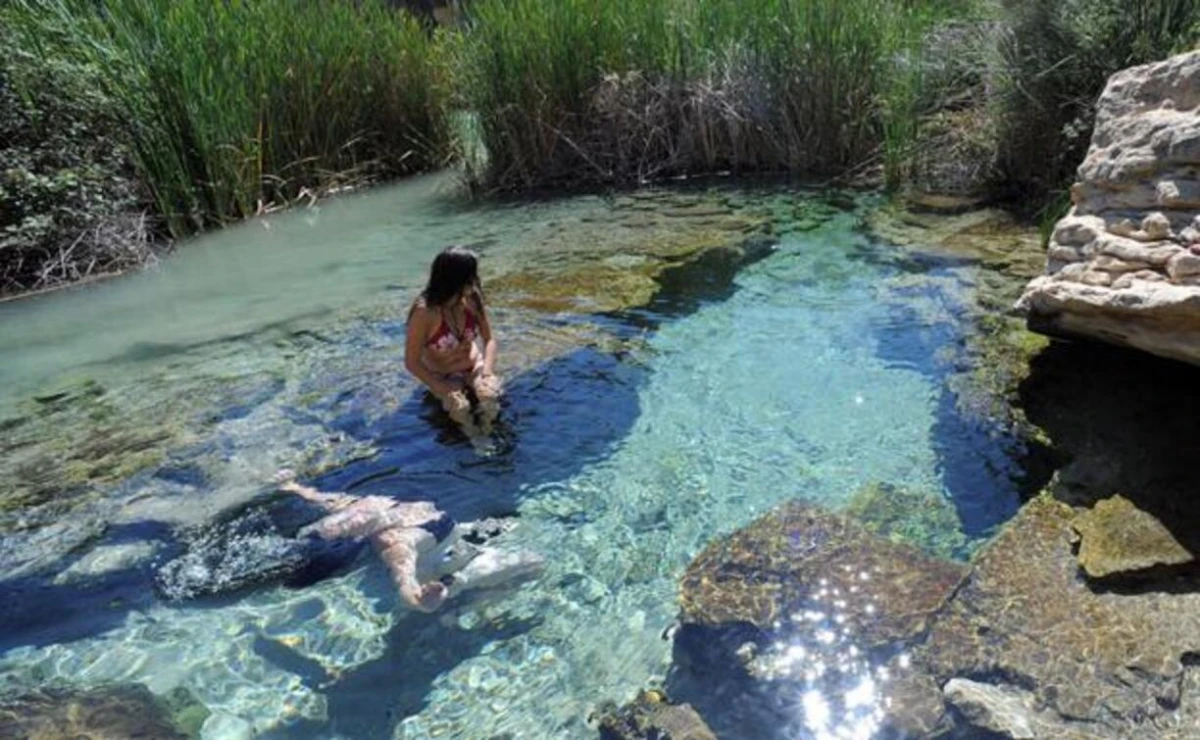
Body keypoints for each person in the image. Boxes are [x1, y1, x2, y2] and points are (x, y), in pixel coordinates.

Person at [273, 470, 541, 612]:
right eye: (347, 526)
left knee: (529, 554)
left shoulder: (368, 505)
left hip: (457, 539)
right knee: (533, 562)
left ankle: (477, 590)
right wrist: (419, 600)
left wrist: (293, 487)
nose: (349, 519)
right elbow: (404, 579)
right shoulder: (395, 542)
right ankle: (458, 591)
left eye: (348, 517)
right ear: (358, 534)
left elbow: (323, 499)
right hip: (443, 568)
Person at [405, 246, 502, 437]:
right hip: (442, 374)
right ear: (455, 279)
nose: (475, 281)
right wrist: (441, 388)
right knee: (460, 408)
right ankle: (475, 439)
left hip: (474, 367)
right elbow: (412, 362)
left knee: (490, 396)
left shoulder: (472, 298)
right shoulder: (425, 312)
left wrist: (487, 373)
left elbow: (489, 339)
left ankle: (489, 432)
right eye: (471, 276)